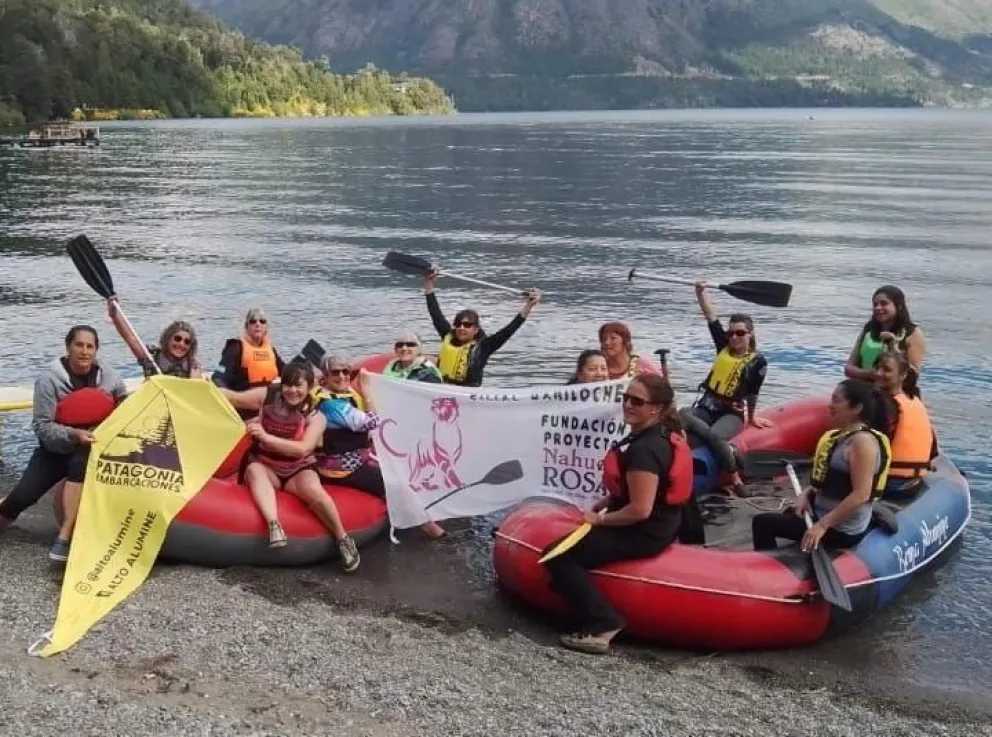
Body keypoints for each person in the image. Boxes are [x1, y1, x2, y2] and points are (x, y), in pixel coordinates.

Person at [543, 375, 693, 655]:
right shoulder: (654, 434)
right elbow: (642, 489)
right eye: (626, 397)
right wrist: (609, 500)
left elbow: (640, 509)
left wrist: (600, 520)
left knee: (559, 556)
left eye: (637, 401)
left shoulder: (645, 450)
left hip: (645, 531)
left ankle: (603, 625)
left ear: (655, 409)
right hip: (662, 523)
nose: (628, 404)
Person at [0, 326, 128, 561]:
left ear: (96, 350)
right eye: (79, 345)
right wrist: (72, 434)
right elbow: (41, 426)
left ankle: (65, 536)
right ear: (68, 347)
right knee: (21, 497)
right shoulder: (49, 380)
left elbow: (123, 398)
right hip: (56, 449)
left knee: (80, 463)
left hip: (90, 448)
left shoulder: (108, 375)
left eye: (90, 346)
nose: (84, 351)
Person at [219, 362, 360, 572]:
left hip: (297, 469)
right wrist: (203, 388)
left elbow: (302, 449)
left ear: (309, 387)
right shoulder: (266, 397)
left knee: (315, 492)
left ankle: (343, 538)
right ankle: (274, 525)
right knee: (253, 470)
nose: (292, 391)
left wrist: (266, 436)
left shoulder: (317, 417)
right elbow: (233, 397)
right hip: (267, 465)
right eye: (288, 385)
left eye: (298, 386)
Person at [751, 379, 893, 553]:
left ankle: (769, 572)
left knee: (762, 523)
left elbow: (861, 495)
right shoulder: (840, 436)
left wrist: (822, 526)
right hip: (820, 511)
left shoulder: (862, 443)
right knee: (789, 514)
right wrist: (806, 493)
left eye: (836, 400)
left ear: (856, 408)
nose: (830, 405)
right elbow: (830, 478)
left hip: (842, 528)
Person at [315, 355, 447, 539]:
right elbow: (371, 422)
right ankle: (430, 528)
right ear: (325, 376)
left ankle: (420, 511)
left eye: (345, 372)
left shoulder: (346, 395)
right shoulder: (330, 405)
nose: (342, 376)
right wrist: (368, 393)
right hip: (340, 467)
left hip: (357, 455)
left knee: (405, 469)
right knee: (395, 485)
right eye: (335, 372)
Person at [680, 282, 771, 494]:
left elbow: (753, 392)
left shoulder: (758, 362)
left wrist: (751, 417)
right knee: (682, 413)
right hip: (707, 407)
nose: (734, 338)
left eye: (740, 333)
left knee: (715, 436)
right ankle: (727, 450)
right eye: (731, 333)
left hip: (732, 413)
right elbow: (711, 317)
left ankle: (735, 477)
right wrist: (700, 293)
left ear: (750, 334)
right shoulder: (723, 346)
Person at [422, 267, 540, 386]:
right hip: (442, 391)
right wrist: (429, 284)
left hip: (468, 395)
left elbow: (509, 330)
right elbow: (435, 312)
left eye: (467, 325)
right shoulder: (447, 335)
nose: (462, 328)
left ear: (476, 329)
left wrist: (528, 306)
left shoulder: (485, 347)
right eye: (458, 324)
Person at [874, 349, 937, 496]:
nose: (878, 373)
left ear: (903, 375)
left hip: (891, 483)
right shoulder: (914, 401)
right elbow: (933, 451)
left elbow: (871, 448)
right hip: (914, 480)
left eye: (886, 370)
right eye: (877, 368)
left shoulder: (884, 406)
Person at [845, 285, 925, 387]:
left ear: (899, 306)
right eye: (875, 304)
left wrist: (893, 348)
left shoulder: (913, 333)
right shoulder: (868, 329)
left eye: (884, 303)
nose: (878, 308)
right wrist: (869, 374)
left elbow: (912, 376)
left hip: (894, 395)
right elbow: (848, 368)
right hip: (865, 391)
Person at [213, 308, 286, 417]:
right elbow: (218, 377)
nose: (257, 324)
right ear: (247, 326)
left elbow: (286, 371)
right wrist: (232, 403)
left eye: (262, 321)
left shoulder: (270, 350)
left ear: (266, 328)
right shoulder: (236, 347)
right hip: (243, 405)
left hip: (266, 404)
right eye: (253, 321)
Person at [107, 299, 201, 378]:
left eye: (187, 342)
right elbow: (130, 338)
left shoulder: (192, 364)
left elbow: (196, 386)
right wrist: (115, 314)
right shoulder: (151, 357)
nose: (181, 344)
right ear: (168, 339)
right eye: (177, 338)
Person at [597, 322, 664, 381]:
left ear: (625, 341)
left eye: (613, 338)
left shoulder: (642, 363)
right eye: (604, 339)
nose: (607, 342)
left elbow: (664, 388)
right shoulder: (599, 366)